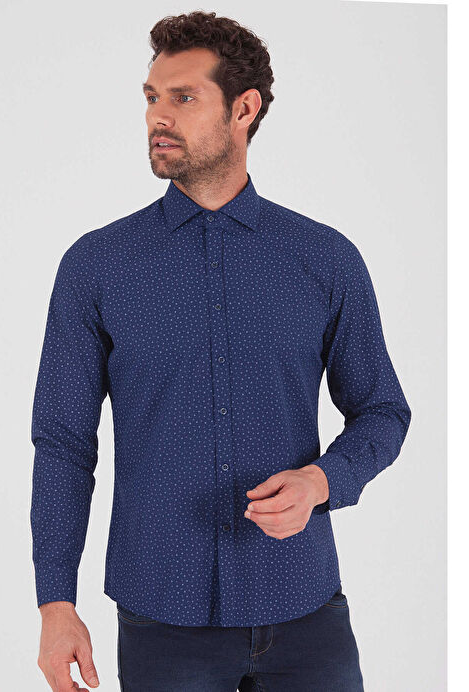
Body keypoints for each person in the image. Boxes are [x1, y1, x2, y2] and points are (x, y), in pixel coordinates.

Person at [30, 10, 412, 692]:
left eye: (183, 97)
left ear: (244, 109)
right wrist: (55, 602)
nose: (158, 116)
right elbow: (63, 442)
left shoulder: (324, 259)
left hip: (305, 608)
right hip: (159, 617)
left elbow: (382, 410)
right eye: (152, 96)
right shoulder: (97, 266)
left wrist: (322, 481)